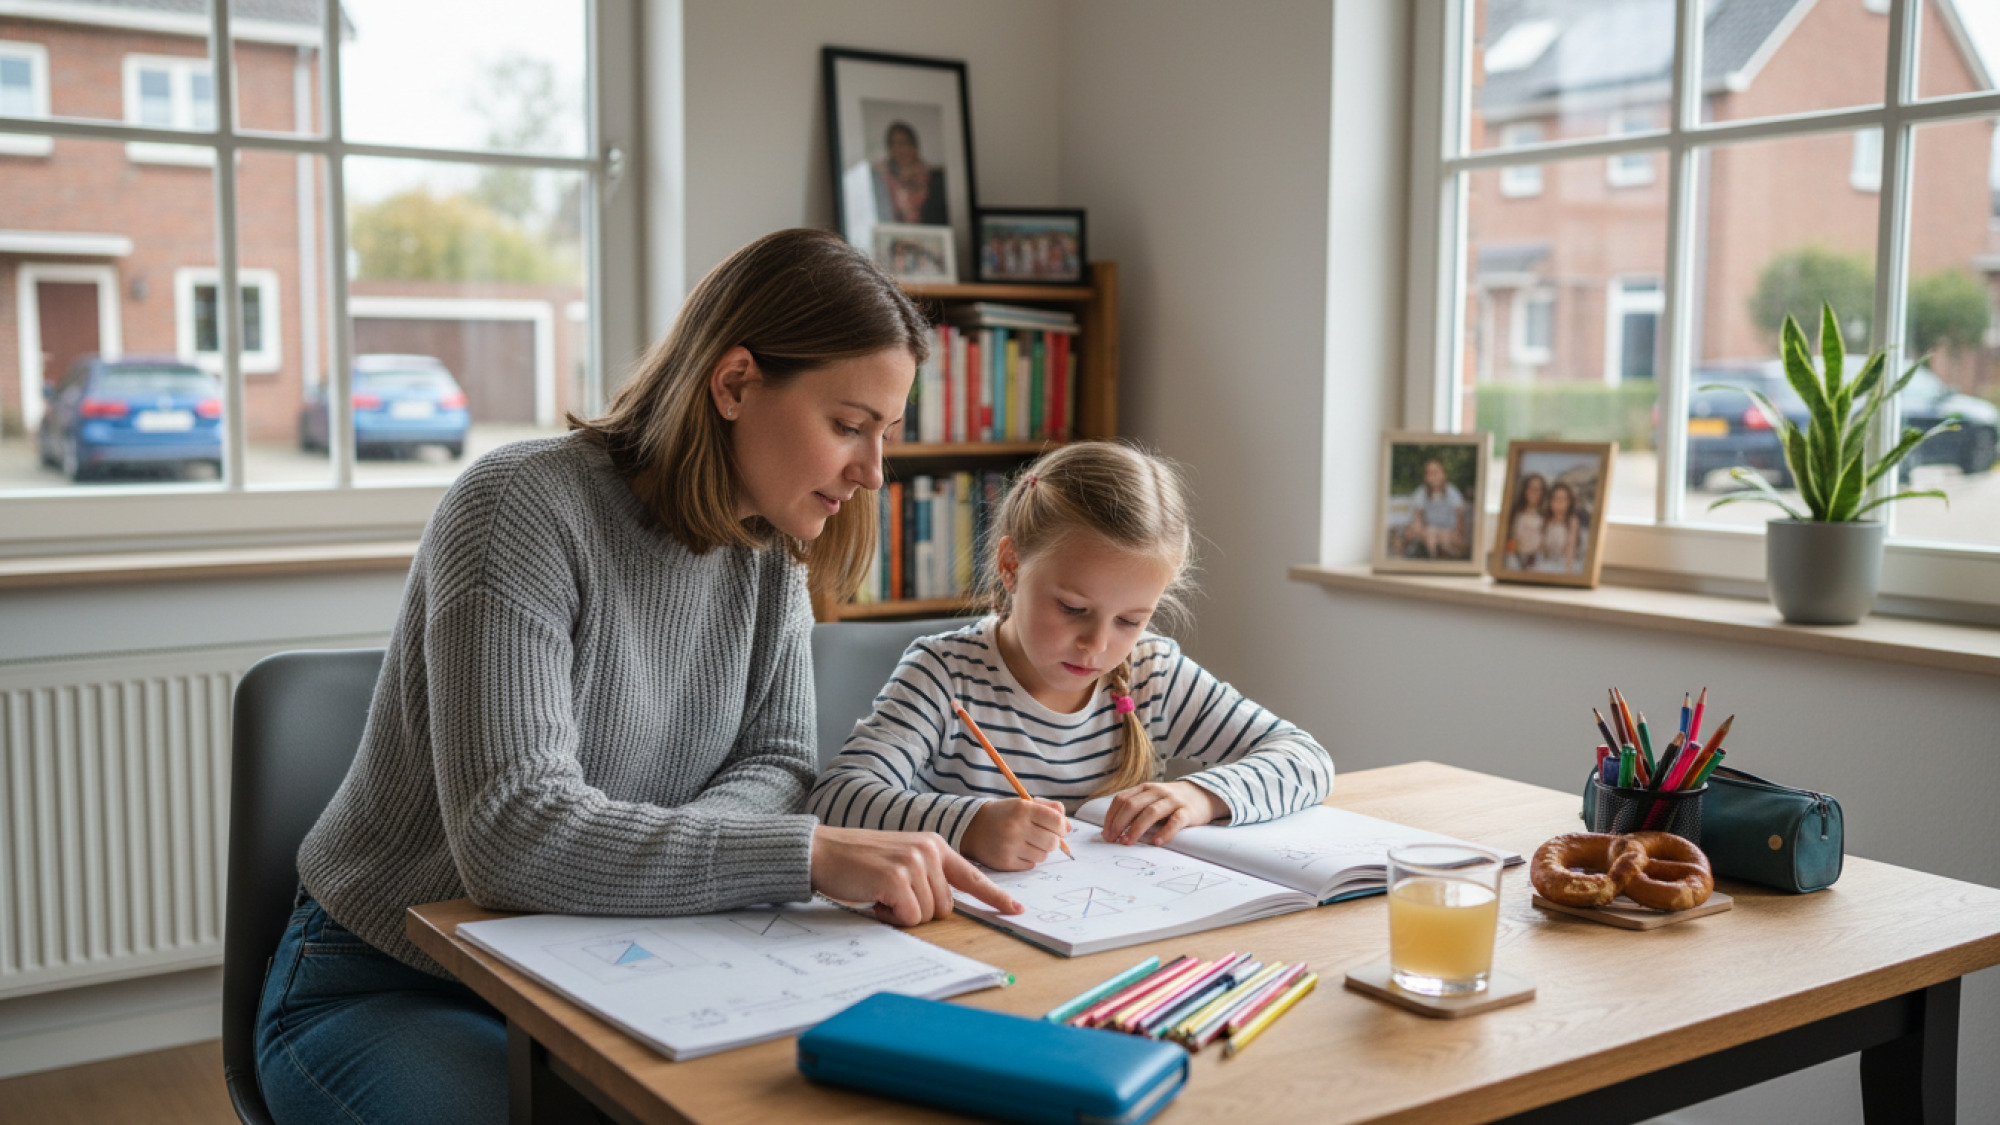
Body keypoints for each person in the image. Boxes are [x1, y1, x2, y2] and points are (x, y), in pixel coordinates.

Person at [254, 229, 1021, 1125]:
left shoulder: (770, 552)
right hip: (392, 978)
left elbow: (778, 767)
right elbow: (513, 835)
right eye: (848, 426)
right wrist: (799, 854)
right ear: (734, 383)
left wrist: (642, 865)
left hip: (622, 956)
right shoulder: (520, 507)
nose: (873, 470)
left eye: (885, 434)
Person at [808, 442, 1334, 869]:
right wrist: (969, 826)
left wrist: (1202, 796)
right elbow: (835, 800)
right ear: (1011, 565)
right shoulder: (945, 675)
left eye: (1130, 620)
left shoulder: (1152, 672)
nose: (1098, 644)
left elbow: (1306, 759)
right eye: (1073, 608)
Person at [873, 120, 947, 225]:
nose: (898, 149)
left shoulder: (935, 178)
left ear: (914, 146)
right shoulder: (883, 179)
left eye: (902, 143)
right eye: (892, 144)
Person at [1405, 457, 1468, 558]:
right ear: (1426, 477)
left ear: (1444, 474)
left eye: (1436, 472)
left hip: (1448, 532)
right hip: (1428, 532)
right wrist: (1421, 531)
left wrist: (1457, 534)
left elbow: (1460, 518)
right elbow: (1418, 518)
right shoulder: (1421, 493)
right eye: (1430, 473)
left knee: (1444, 540)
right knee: (1430, 534)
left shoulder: (1453, 493)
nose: (1433, 476)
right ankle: (1432, 559)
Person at [1536, 480, 1584, 574]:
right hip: (1547, 563)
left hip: (1564, 564)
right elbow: (1542, 547)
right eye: (1555, 499)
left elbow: (1571, 549)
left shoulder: (1572, 522)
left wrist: (1568, 572)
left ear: (1569, 502)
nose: (1558, 503)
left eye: (1562, 499)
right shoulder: (1546, 521)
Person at [1505, 472, 1548, 570]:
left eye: (1538, 489)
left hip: (1537, 563)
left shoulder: (1545, 515)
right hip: (1514, 561)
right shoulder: (1516, 513)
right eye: (1531, 488)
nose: (1534, 493)